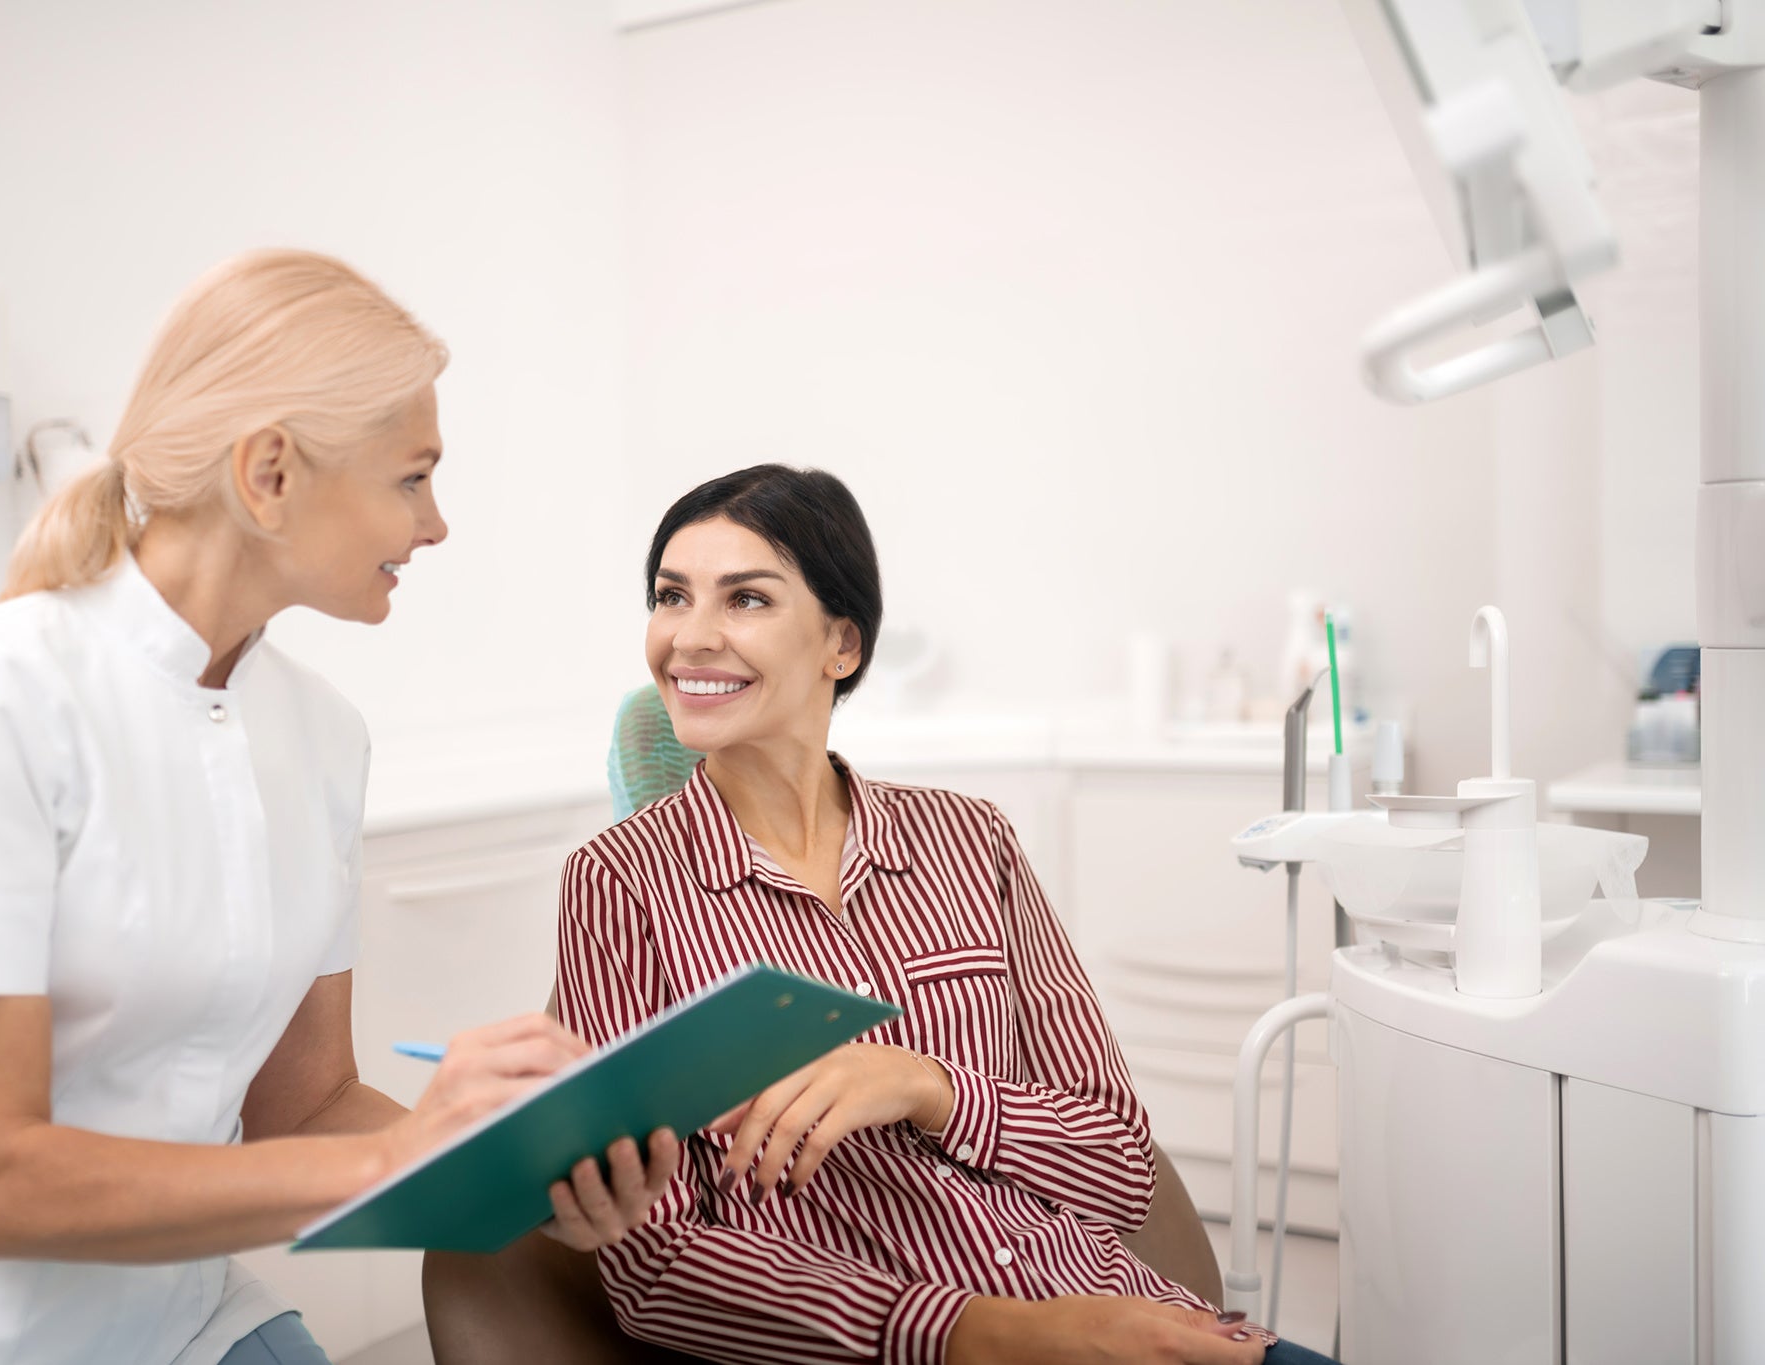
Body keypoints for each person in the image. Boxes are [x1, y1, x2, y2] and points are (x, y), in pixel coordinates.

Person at [0, 250, 678, 1365]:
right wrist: (399, 1160)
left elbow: (305, 1109)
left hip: (176, 1322)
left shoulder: (319, 736)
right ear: (269, 472)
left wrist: (512, 1165)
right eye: (411, 478)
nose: (436, 526)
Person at [556, 464, 1338, 1365]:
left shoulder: (970, 839)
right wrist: (985, 1333)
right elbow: (656, 1268)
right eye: (671, 596)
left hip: (1131, 1323)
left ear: (840, 645)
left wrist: (933, 1087)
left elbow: (1123, 1167)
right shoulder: (620, 882)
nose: (689, 638)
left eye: (746, 600)